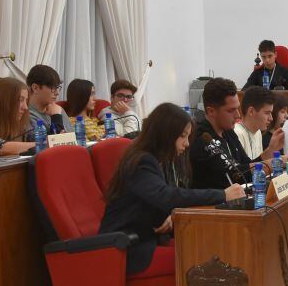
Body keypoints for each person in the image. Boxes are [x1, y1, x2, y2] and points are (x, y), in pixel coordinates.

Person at [100, 104, 245, 274]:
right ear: (165, 135)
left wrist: (171, 214)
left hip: (148, 236)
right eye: (182, 136)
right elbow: (165, 195)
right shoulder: (141, 161)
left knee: (209, 250)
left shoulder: (158, 159)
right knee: (203, 261)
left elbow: (160, 199)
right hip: (129, 247)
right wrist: (223, 194)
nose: (186, 144)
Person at [189, 78, 253, 190]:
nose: (238, 115)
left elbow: (246, 165)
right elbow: (236, 175)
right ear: (211, 111)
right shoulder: (202, 138)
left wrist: (269, 152)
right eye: (230, 110)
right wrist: (274, 163)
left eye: (237, 108)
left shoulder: (228, 131)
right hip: (209, 206)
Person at [234, 86, 285, 161]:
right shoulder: (237, 133)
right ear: (251, 111)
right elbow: (244, 171)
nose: (271, 118)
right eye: (267, 113)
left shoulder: (258, 132)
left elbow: (259, 167)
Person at [26, 64, 69, 134]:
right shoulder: (26, 114)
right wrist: (56, 117)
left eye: (57, 87)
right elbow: (49, 143)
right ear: (35, 88)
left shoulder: (57, 109)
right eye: (52, 87)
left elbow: (73, 139)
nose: (57, 93)